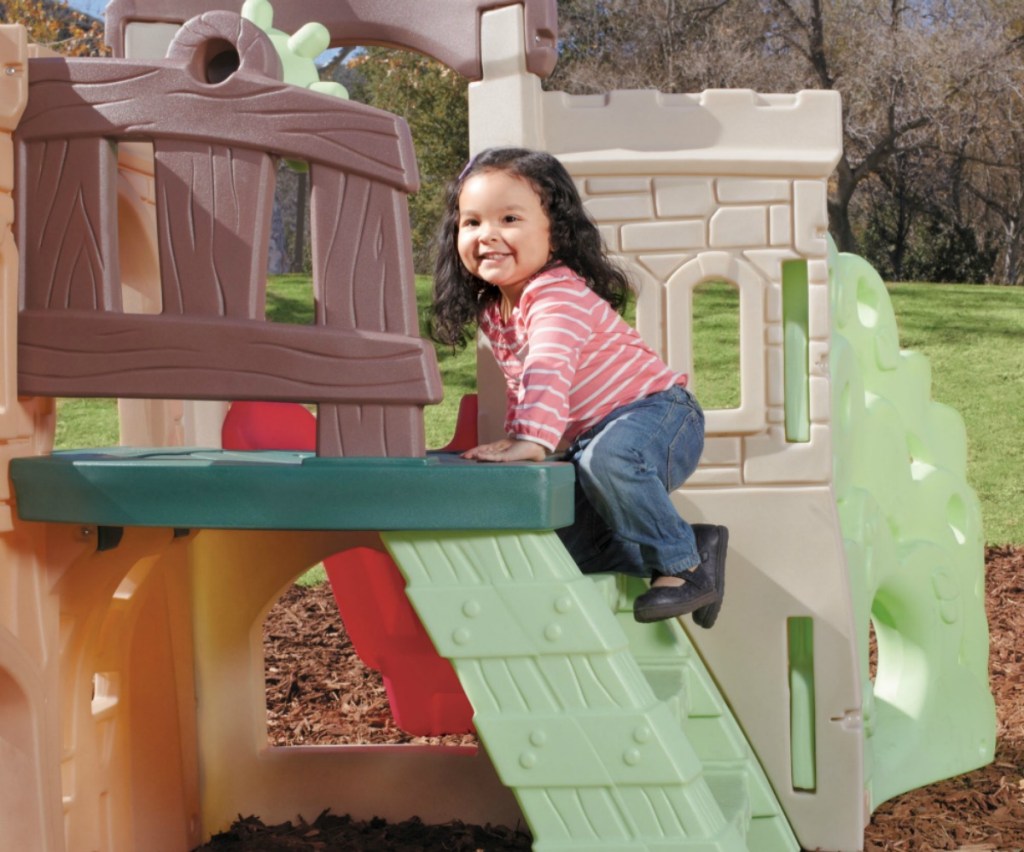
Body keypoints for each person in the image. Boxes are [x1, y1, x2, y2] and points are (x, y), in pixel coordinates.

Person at [430, 146, 727, 626]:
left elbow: (549, 363)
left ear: (556, 231)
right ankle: (692, 546)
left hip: (657, 416)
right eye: (471, 223)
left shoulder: (555, 294)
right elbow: (525, 382)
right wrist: (519, 438)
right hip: (594, 440)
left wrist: (532, 440)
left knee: (606, 460)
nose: (487, 236)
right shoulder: (498, 309)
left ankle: (686, 564)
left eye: (509, 219)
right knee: (566, 540)